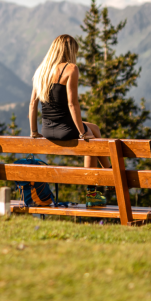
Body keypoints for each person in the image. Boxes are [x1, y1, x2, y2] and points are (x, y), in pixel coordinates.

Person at [27, 34, 107, 206]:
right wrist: (81, 132)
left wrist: (34, 132)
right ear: (69, 51)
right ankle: (96, 188)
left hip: (47, 130)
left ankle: (107, 169)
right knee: (90, 133)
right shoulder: (70, 69)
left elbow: (32, 104)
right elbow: (72, 104)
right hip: (65, 129)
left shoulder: (41, 70)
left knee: (94, 128)